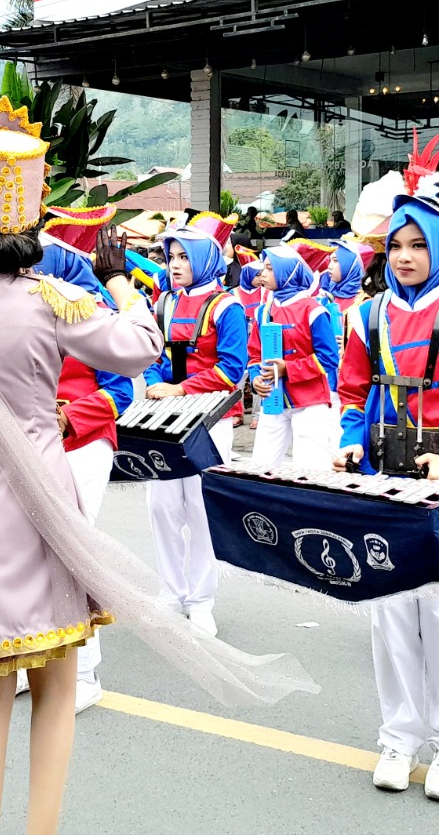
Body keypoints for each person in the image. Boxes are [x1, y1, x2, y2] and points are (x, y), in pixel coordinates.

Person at [0, 98, 309, 835]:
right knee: (54, 685)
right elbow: (143, 347)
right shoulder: (57, 302)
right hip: (40, 508)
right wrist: (120, 283)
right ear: (34, 222)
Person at [335, 195, 439, 804]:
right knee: (389, 616)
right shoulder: (365, 315)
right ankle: (398, 737)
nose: (404, 258)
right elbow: (352, 394)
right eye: (396, 247)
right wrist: (350, 442)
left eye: (417, 246)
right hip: (384, 482)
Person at [36, 206, 133, 711]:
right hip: (28, 447)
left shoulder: (95, 316)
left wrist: (70, 417)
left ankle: (85, 674)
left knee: (70, 558)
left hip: (84, 444)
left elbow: (122, 391)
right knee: (28, 558)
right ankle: (34, 660)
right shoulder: (23, 311)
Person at [142, 212, 246, 639]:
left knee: (201, 510)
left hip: (209, 418)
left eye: (185, 256)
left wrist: (179, 390)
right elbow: (149, 355)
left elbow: (231, 369)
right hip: (164, 415)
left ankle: (201, 601)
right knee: (162, 507)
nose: (175, 264)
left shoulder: (228, 306)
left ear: (206, 258)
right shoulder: (162, 302)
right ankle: (171, 592)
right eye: (172, 257)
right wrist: (154, 385)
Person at [249, 244, 339, 472]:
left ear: (287, 271)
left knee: (311, 472)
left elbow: (329, 359)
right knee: (261, 469)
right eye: (263, 268)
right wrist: (255, 379)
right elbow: (253, 355)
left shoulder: (313, 310)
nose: (263, 274)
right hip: (273, 400)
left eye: (270, 268)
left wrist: (288, 369)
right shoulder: (262, 311)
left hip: (310, 402)